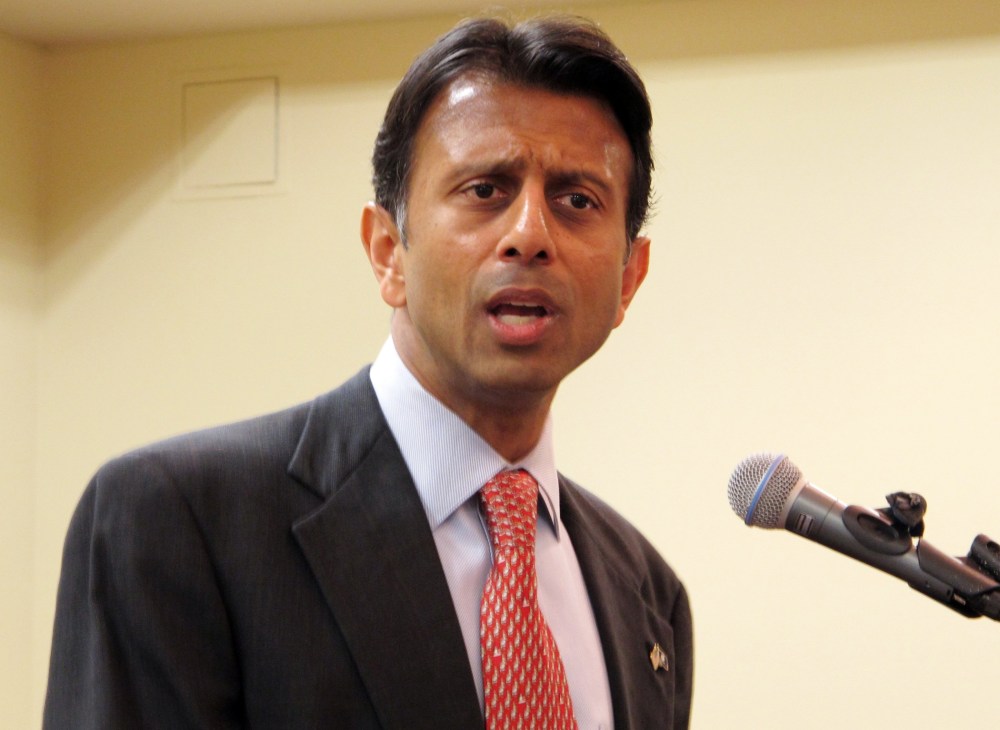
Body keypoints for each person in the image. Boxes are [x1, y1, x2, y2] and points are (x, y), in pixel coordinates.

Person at [43, 14, 693, 730]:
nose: (530, 235)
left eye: (578, 201)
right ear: (388, 252)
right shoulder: (181, 519)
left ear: (629, 279)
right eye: (485, 190)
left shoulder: (647, 595)